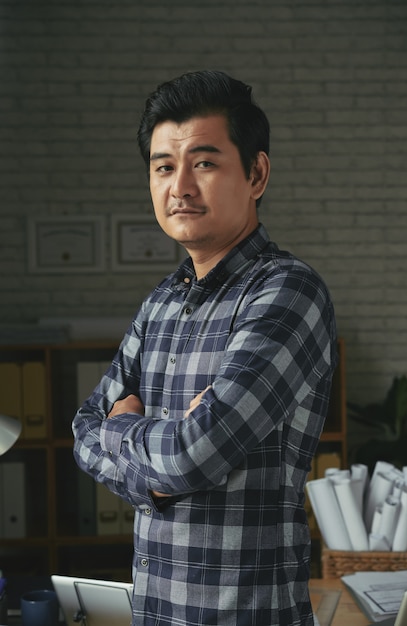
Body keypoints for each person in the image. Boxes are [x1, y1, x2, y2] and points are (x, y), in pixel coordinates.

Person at [73, 69, 338, 626]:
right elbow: (82, 428)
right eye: (164, 166)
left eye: (205, 163)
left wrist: (124, 431)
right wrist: (164, 463)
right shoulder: (160, 303)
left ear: (257, 173)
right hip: (155, 612)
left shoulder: (288, 291)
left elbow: (198, 451)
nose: (180, 187)